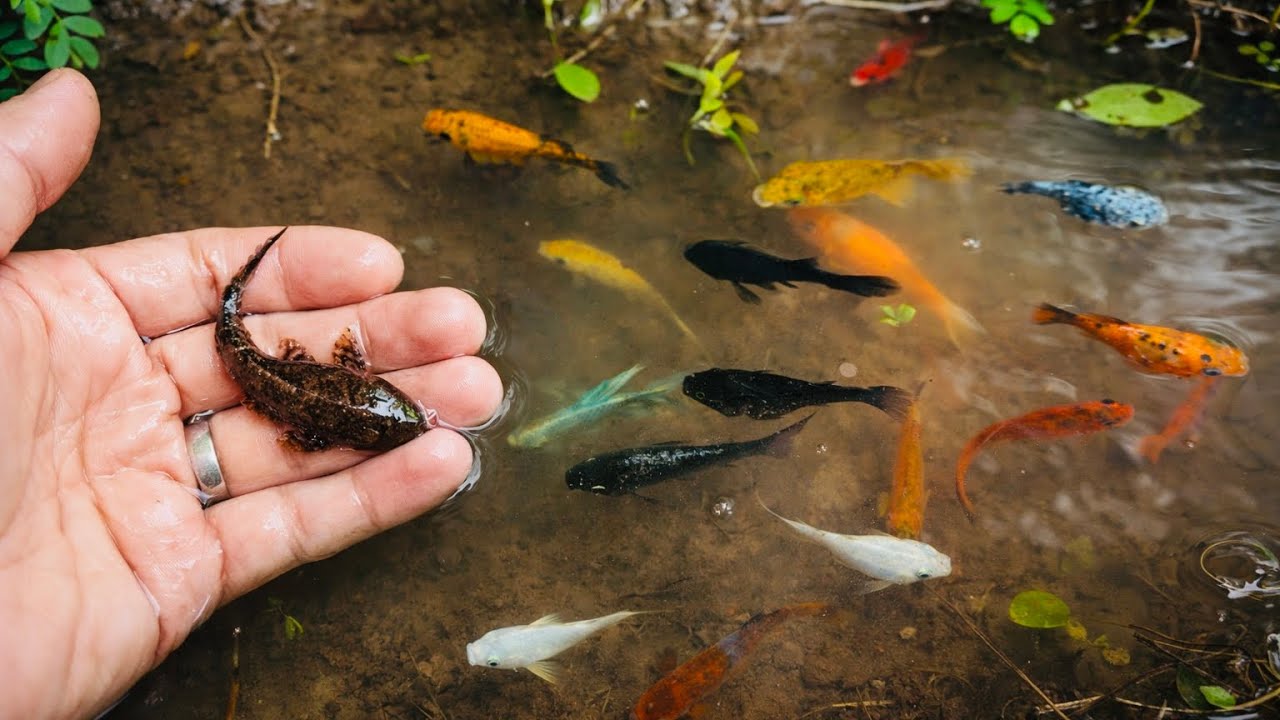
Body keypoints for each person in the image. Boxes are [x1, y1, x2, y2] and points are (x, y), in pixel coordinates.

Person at [0, 69, 503, 720]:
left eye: (397, 416)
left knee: (253, 335)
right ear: (367, 384)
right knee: (249, 333)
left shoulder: (339, 391)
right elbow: (306, 435)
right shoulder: (328, 418)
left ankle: (239, 303)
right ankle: (237, 304)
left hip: (275, 373)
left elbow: (311, 423)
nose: (403, 411)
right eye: (398, 409)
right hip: (269, 373)